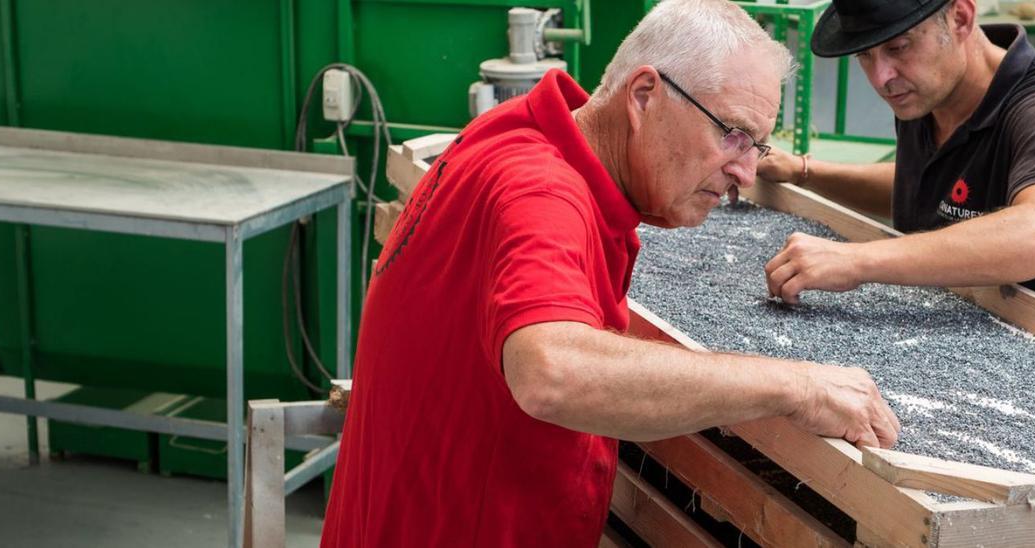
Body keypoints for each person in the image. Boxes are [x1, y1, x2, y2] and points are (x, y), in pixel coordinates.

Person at [320, 1, 900, 546]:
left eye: (758, 145)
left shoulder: (520, 136)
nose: (746, 172)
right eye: (732, 133)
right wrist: (794, 385)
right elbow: (553, 371)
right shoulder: (542, 190)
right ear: (644, 94)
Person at [759, 0, 1035, 326]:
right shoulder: (926, 93)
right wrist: (804, 171)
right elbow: (928, 191)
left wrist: (856, 261)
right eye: (865, 56)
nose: (881, 77)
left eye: (898, 47)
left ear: (961, 18)